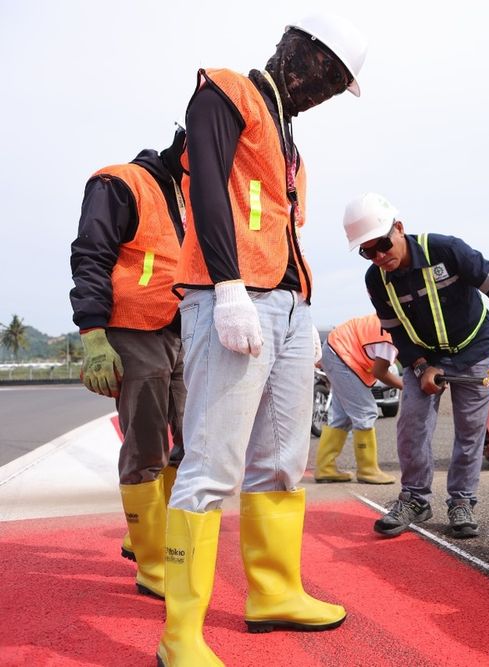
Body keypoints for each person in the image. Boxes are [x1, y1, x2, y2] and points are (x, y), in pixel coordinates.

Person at [156, 15, 368, 666]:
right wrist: (225, 287)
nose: (324, 90)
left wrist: (298, 309)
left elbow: (279, 225)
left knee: (280, 459)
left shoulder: (289, 137)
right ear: (296, 49)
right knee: (212, 463)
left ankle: (273, 591)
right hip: (235, 297)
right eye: (325, 74)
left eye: (335, 86)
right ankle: (180, 636)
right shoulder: (225, 92)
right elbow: (209, 193)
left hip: (288, 303)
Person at [343, 192, 489, 539]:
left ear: (400, 228)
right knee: (411, 425)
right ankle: (416, 499)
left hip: (474, 348)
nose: (379, 256)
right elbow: (395, 333)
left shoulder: (446, 250)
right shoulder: (376, 280)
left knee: (469, 430)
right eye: (367, 251)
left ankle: (462, 501)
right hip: (425, 355)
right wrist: (421, 368)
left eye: (383, 245)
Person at [69, 127, 188, 600]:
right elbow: (91, 256)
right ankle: (152, 563)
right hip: (132, 328)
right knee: (145, 445)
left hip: (182, 330)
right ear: (186, 149)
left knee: (193, 440)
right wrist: (94, 334)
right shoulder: (121, 183)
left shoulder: (192, 197)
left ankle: (149, 530)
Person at [314, 313, 404, 484]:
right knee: (366, 412)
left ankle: (325, 468)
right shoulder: (390, 337)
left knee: (343, 416)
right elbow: (380, 372)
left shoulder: (393, 320)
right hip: (341, 354)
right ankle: (367, 470)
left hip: (337, 350)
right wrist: (404, 386)